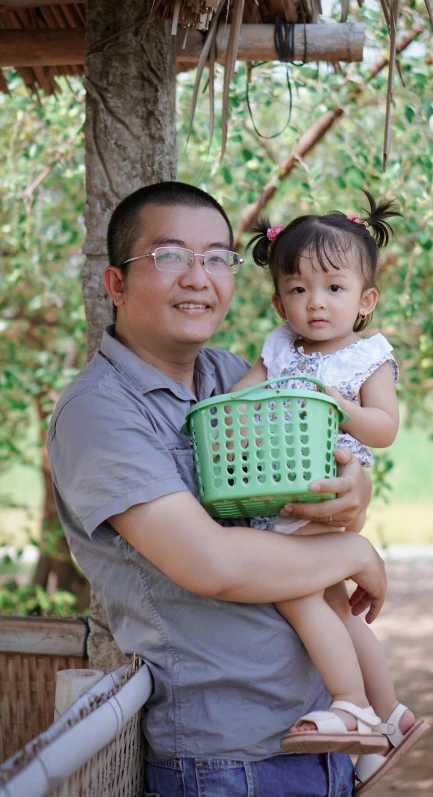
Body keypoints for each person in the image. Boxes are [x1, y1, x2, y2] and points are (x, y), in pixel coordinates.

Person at [48, 182, 387, 797]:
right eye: (171, 256)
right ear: (116, 284)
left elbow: (320, 492)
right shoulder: (98, 413)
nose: (199, 277)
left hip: (320, 734)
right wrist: (356, 555)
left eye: (218, 258)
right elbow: (211, 563)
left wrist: (351, 488)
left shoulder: (240, 375)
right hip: (228, 761)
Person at [229, 193, 428, 791]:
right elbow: (235, 404)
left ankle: (349, 704)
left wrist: (341, 409)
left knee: (296, 598)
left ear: (364, 301)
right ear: (278, 299)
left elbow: (385, 429)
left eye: (334, 288)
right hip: (279, 492)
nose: (315, 302)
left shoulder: (367, 357)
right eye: (298, 289)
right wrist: (230, 419)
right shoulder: (278, 350)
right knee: (338, 611)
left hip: (325, 494)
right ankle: (390, 716)